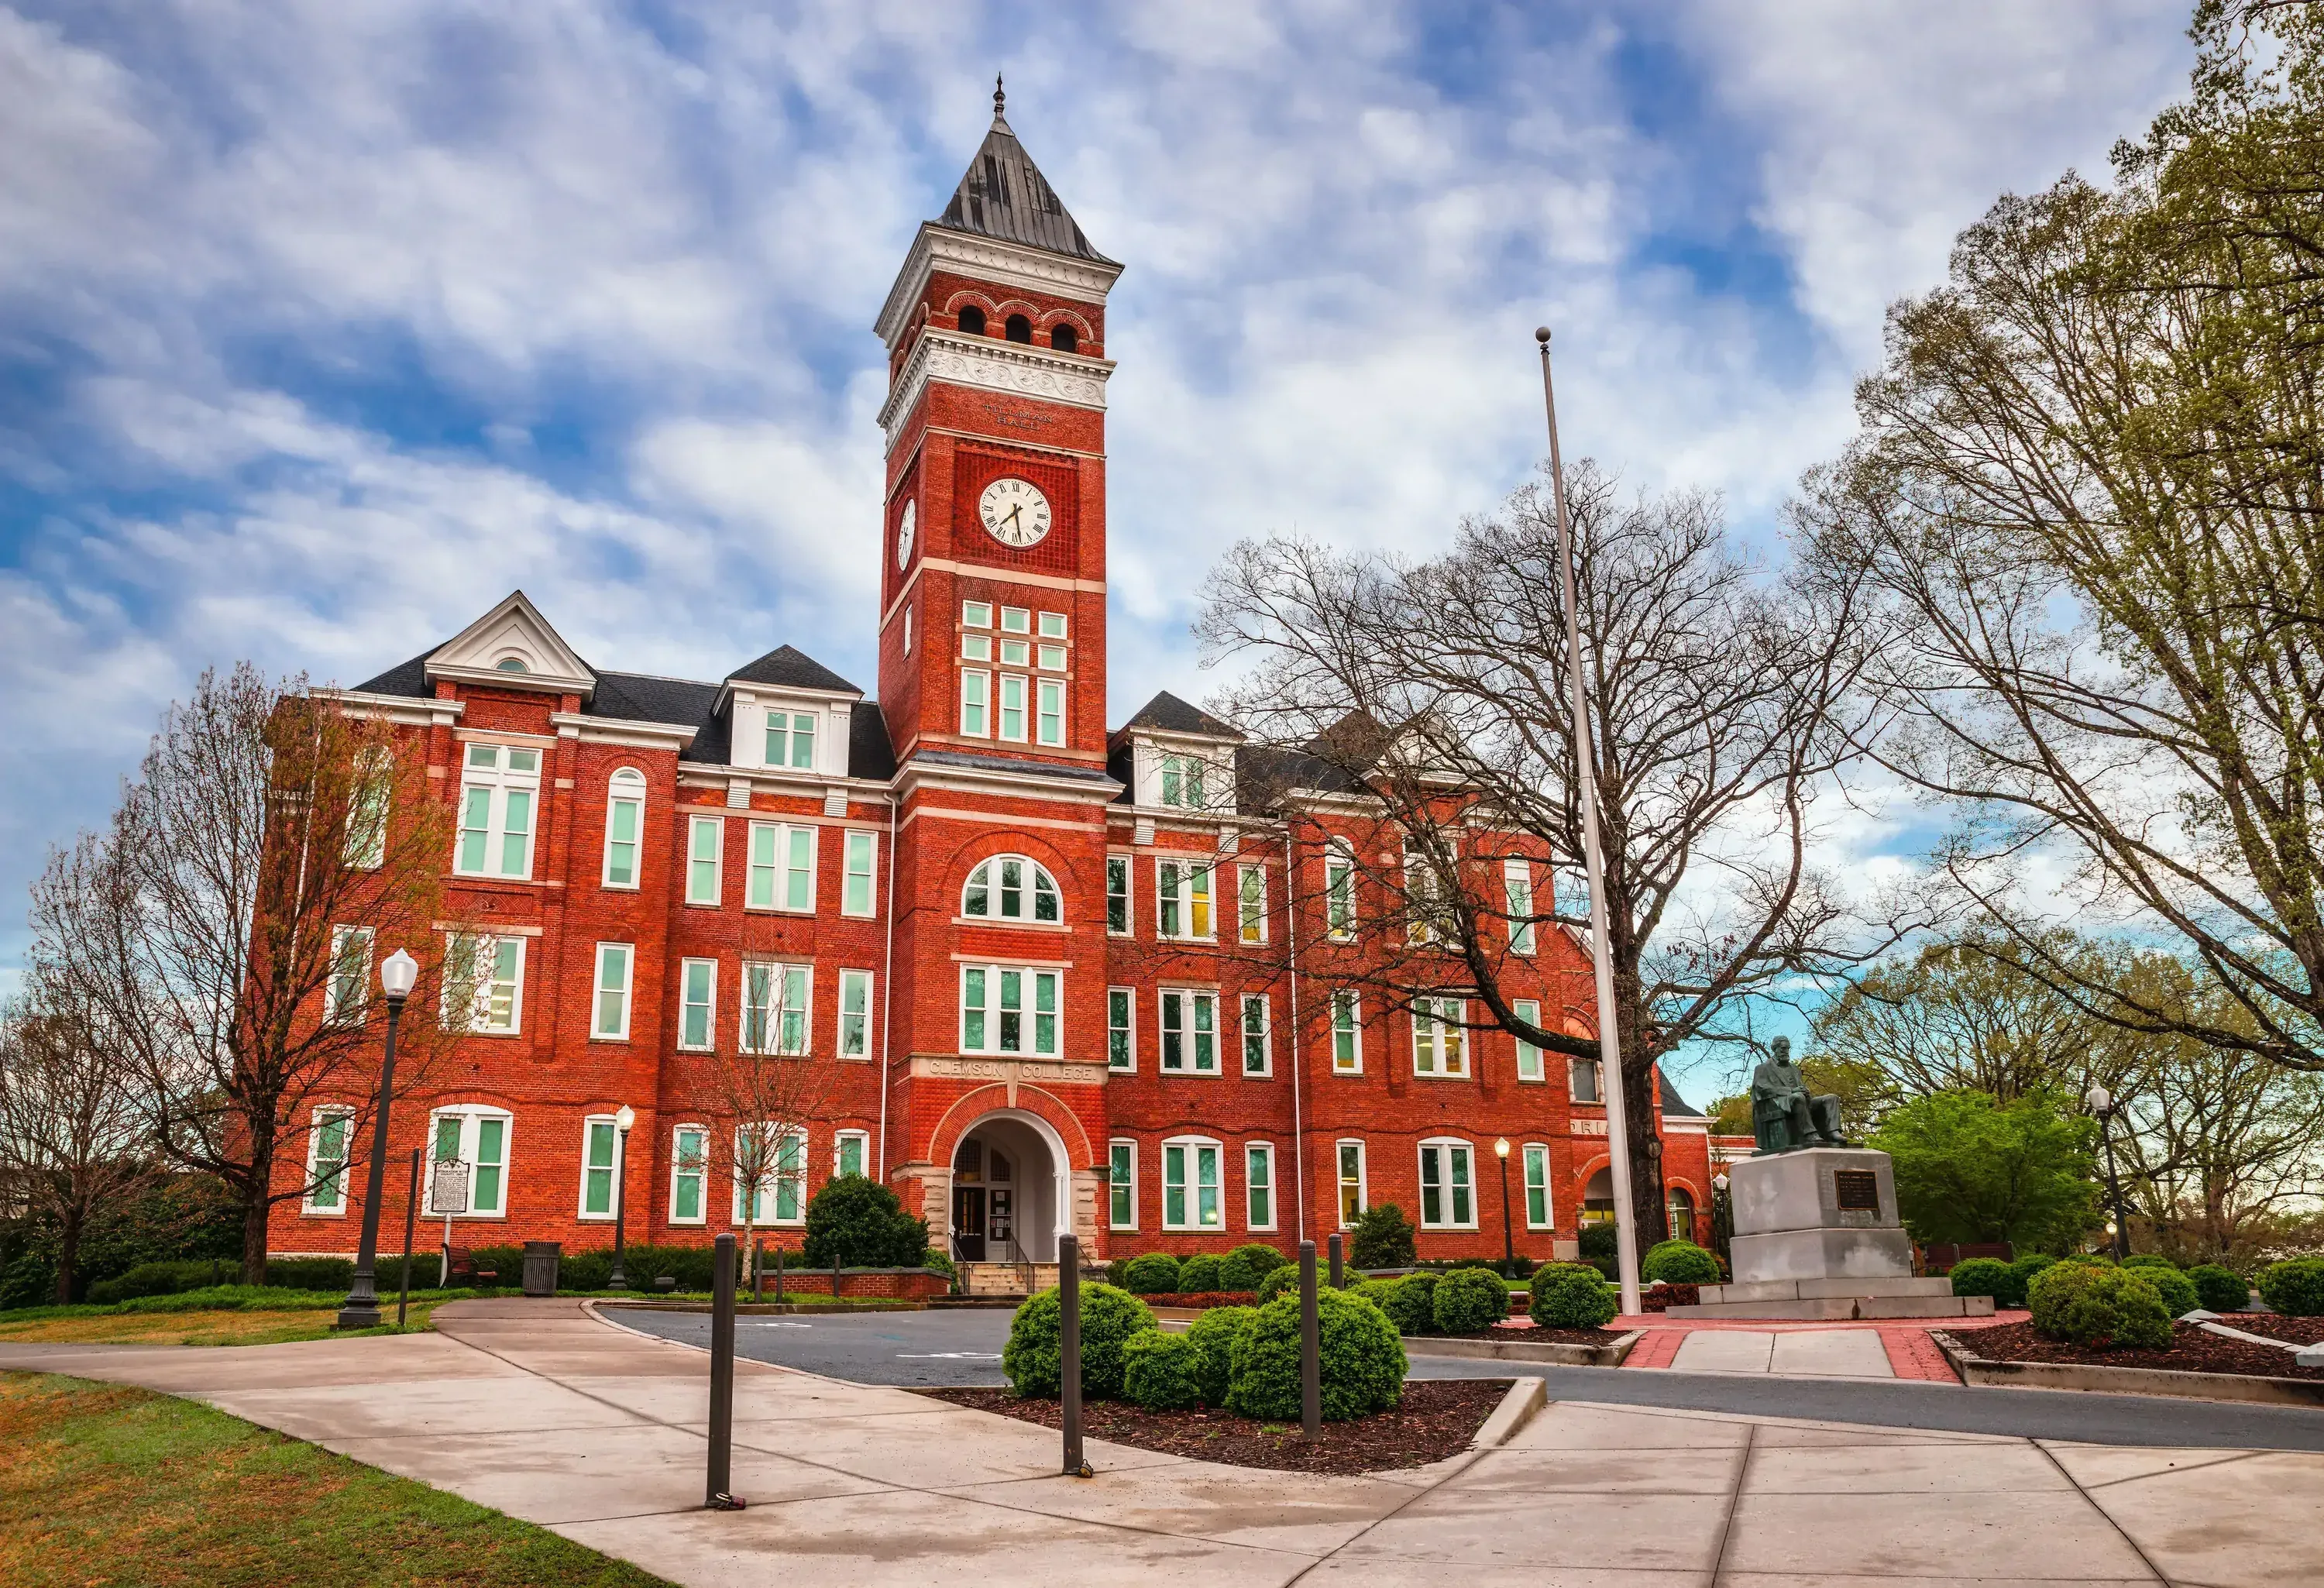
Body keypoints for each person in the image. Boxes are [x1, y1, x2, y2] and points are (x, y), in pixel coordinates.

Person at [1751, 1037, 1845, 1153]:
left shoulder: (1795, 1068)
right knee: (1798, 1097)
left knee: (1832, 1098)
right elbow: (1762, 1089)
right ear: (1775, 1049)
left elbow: (1800, 1086)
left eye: (1788, 1048)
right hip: (1779, 1102)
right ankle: (1809, 1134)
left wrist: (1805, 1090)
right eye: (1783, 1048)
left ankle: (1834, 1132)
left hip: (1803, 1100)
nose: (1786, 1051)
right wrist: (1791, 1091)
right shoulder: (1763, 1068)